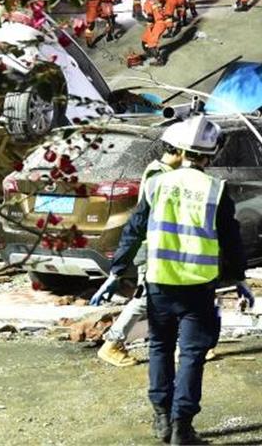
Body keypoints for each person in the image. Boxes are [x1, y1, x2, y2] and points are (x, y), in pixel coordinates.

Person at [93, 115, 253, 445]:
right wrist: (239, 279)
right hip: (198, 286)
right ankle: (183, 428)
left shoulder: (155, 184)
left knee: (160, 348)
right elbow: (232, 240)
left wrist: (115, 273)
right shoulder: (215, 190)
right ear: (211, 155)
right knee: (193, 355)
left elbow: (132, 233)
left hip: (159, 285)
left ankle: (161, 419)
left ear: (180, 150)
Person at [95, 142, 184, 367]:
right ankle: (112, 344)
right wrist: (117, 271)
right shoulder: (159, 174)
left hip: (162, 249)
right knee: (145, 299)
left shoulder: (165, 172)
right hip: (154, 250)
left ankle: (183, 347)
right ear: (181, 151)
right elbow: (140, 221)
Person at [139, 0, 170, 65]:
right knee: (145, 40)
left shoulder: (147, 3)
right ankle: (150, 53)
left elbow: (150, 17)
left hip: (158, 23)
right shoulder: (155, 0)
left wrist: (151, 27)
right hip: (160, 22)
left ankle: (160, 60)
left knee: (151, 43)